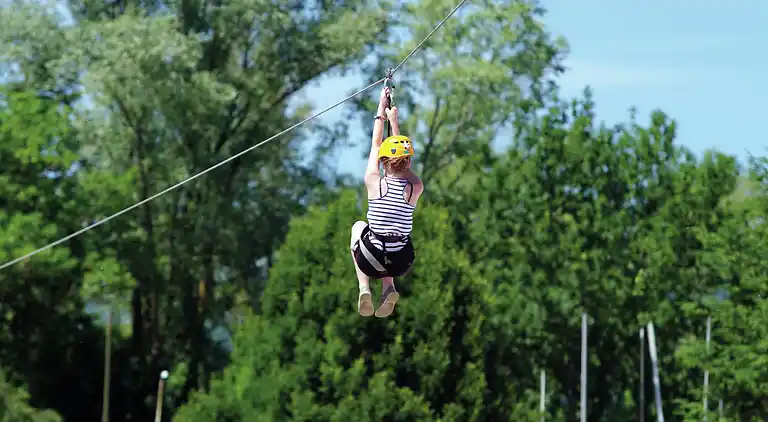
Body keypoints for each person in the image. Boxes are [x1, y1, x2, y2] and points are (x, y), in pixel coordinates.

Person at [350, 86, 424, 318]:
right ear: (408, 162)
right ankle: (389, 286)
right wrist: (395, 121)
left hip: (370, 258)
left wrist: (382, 110)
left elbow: (375, 144)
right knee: (392, 238)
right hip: (401, 260)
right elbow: (402, 158)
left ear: (383, 162)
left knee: (359, 228)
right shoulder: (415, 188)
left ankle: (364, 288)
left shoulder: (374, 181)